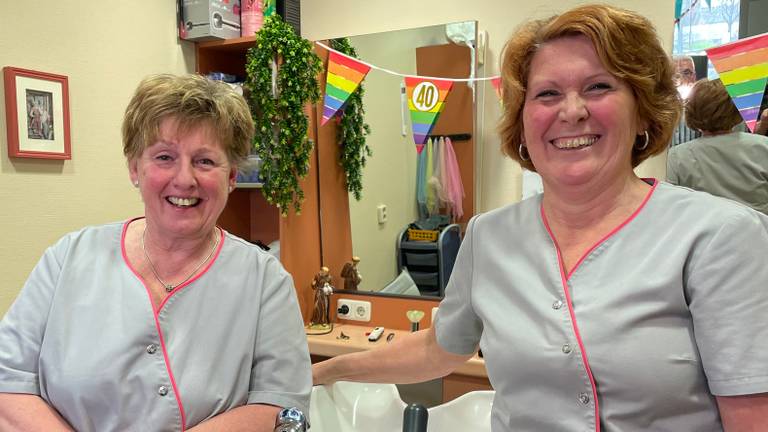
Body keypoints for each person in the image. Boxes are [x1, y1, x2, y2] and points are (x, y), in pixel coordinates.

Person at [312, 5, 768, 431]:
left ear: (643, 111)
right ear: (524, 123)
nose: (572, 111)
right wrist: (325, 371)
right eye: (547, 94)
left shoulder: (719, 237)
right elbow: (438, 348)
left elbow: (751, 416)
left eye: (599, 86)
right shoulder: (488, 237)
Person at [0, 74, 311, 431]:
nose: (184, 179)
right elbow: (7, 380)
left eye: (205, 161)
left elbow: (282, 407)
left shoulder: (264, 282)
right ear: (135, 168)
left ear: (231, 178)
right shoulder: (68, 258)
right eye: (164, 157)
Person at [667, 78, 768, 215]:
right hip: (758, 231)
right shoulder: (763, 147)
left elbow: (671, 204)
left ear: (690, 110)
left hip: (703, 232)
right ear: (736, 109)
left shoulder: (677, 156)